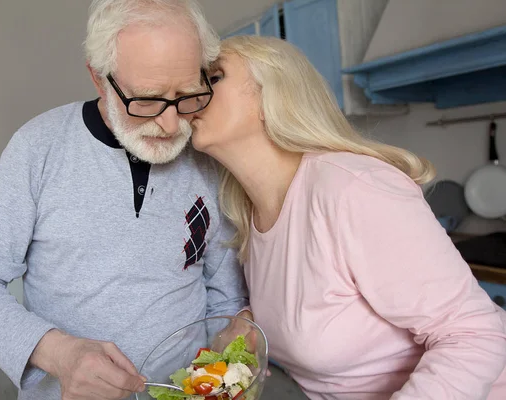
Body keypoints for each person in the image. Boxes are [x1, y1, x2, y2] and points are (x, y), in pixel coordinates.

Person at [0, 2, 250, 400]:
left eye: (187, 95)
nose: (172, 125)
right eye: (147, 99)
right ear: (98, 78)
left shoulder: (207, 158)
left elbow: (225, 296)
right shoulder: (38, 148)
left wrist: (238, 334)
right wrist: (59, 354)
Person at [191, 35, 506, 400]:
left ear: (270, 96)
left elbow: (474, 333)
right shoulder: (248, 212)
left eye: (214, 78)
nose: (190, 94)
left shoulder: (349, 188)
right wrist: (247, 320)